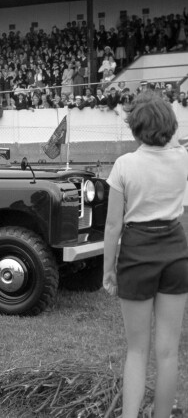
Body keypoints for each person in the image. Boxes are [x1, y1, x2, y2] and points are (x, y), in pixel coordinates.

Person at [103, 92, 188, 418]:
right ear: (169, 124)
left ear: (135, 129)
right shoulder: (182, 157)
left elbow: (113, 227)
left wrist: (108, 271)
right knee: (168, 353)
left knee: (137, 351)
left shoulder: (125, 165)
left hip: (137, 254)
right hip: (175, 254)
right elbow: (174, 139)